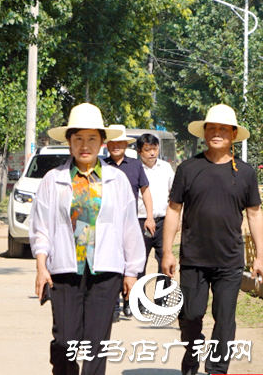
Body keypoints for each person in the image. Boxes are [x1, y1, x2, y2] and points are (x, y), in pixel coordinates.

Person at [30, 103, 145, 375]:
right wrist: (41, 266)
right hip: (65, 271)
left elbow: (129, 226)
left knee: (97, 342)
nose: (85, 145)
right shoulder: (52, 179)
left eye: (92, 138)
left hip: (105, 271)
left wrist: (132, 272)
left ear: (102, 142)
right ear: (69, 142)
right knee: (65, 339)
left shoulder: (116, 180)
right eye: (78, 138)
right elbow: (41, 227)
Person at [162, 104, 263, 375]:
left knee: (225, 319)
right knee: (191, 315)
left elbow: (254, 215)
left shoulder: (245, 172)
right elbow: (173, 210)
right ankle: (192, 354)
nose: (217, 133)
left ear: (233, 134)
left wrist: (261, 257)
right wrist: (166, 252)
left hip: (230, 260)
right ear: (204, 133)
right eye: (212, 128)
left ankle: (217, 369)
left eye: (223, 129)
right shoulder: (188, 168)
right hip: (194, 257)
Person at [104, 124, 155, 319]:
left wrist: (149, 216)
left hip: (130, 224)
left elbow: (145, 192)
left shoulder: (135, 165)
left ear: (126, 144)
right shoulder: (102, 165)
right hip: (107, 225)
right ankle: (114, 305)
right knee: (112, 264)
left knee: (132, 264)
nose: (116, 146)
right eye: (112, 142)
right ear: (107, 145)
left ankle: (129, 301)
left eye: (120, 142)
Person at [136, 133, 174, 307]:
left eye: (154, 149)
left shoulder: (166, 167)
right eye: (147, 149)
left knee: (164, 260)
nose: (152, 153)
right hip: (140, 221)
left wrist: (177, 219)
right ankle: (140, 301)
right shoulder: (136, 169)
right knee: (139, 262)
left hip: (163, 221)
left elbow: (174, 194)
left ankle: (161, 300)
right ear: (139, 151)